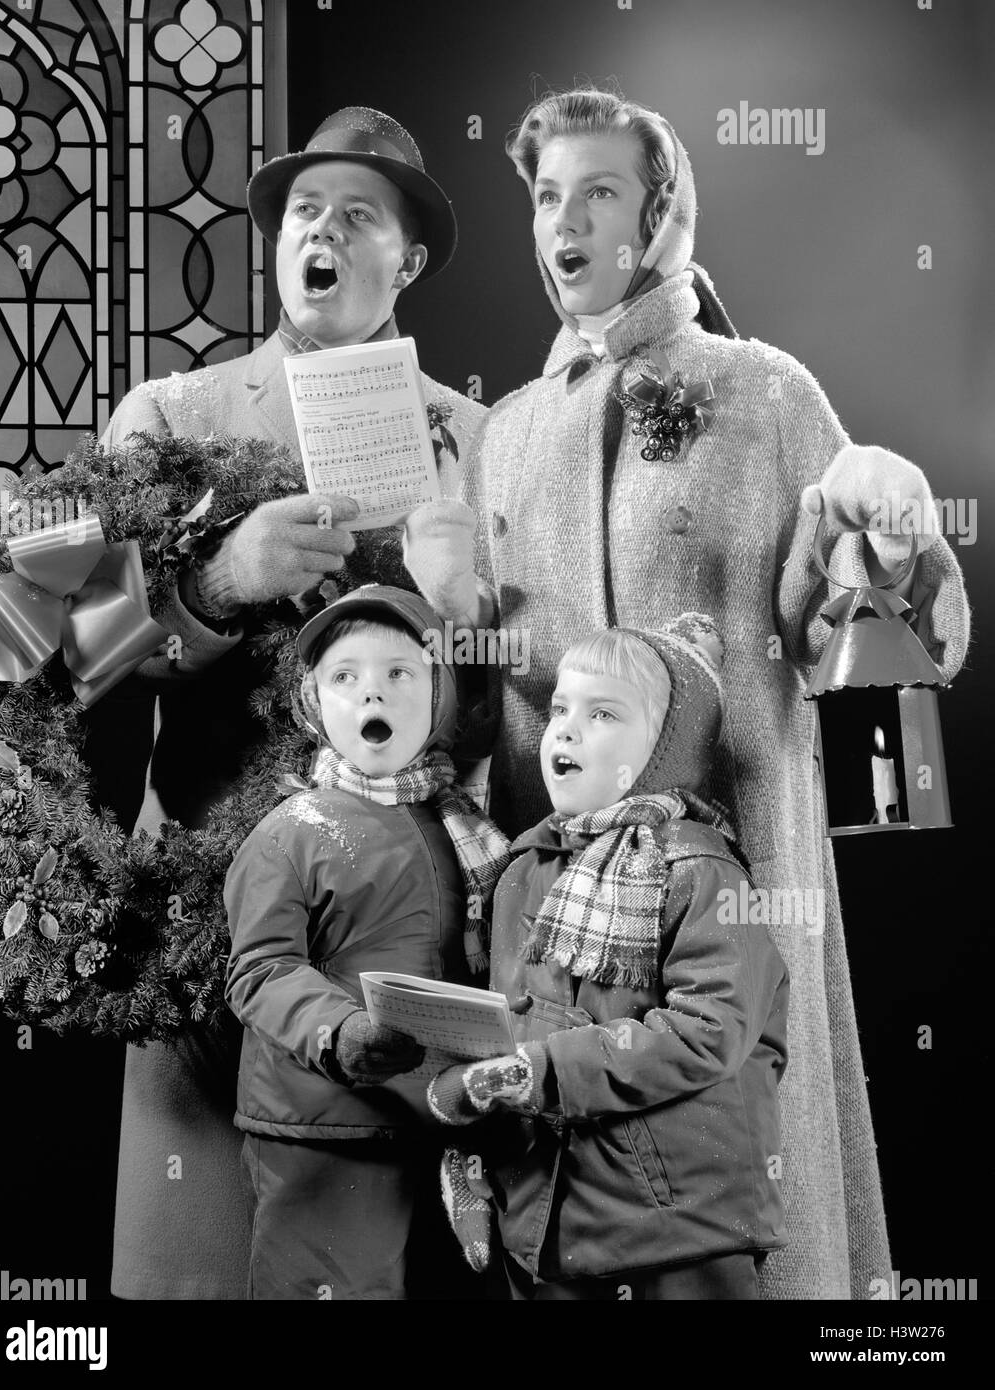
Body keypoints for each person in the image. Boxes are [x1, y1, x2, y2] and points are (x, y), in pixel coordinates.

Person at [428, 89, 970, 1299]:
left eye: (598, 191)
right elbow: (474, 689)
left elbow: (841, 620)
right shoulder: (501, 433)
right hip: (554, 880)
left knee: (738, 1183)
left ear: (660, 212)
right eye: (544, 194)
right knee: (565, 1154)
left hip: (736, 861)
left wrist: (875, 525)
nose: (562, 220)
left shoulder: (765, 390)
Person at [95, 107, 487, 1300]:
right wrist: (220, 578)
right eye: (303, 212)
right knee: (198, 1270)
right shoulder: (170, 418)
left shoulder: (479, 439)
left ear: (405, 261)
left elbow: (517, 697)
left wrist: (457, 608)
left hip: (406, 930)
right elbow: (77, 650)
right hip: (204, 910)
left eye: (356, 214)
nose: (321, 230)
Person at [424, 615, 790, 1299]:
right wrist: (483, 1138)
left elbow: (708, 1032)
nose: (563, 729)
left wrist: (541, 1069)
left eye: (601, 714)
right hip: (550, 1217)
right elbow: (515, 1022)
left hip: (678, 1222)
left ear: (661, 750)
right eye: (560, 708)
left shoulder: (695, 869)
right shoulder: (524, 867)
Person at [224, 585, 511, 1299]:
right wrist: (339, 1029)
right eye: (343, 677)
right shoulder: (291, 831)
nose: (369, 693)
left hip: (444, 1121)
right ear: (313, 703)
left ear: (438, 696)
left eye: (398, 674)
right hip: (325, 1128)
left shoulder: (465, 829)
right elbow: (259, 971)